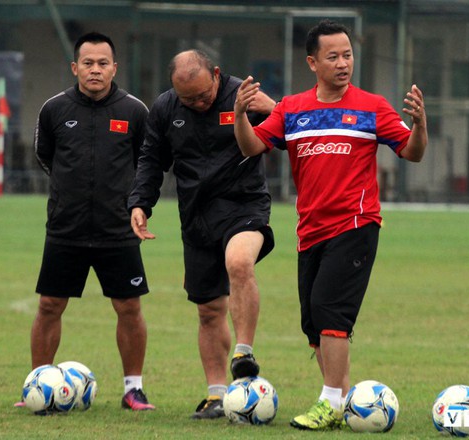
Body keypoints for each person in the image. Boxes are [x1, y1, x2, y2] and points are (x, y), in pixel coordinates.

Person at [234, 19, 428, 430]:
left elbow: (411, 152)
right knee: (312, 323)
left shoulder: (372, 106)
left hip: (356, 225)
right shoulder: (292, 109)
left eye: (348, 55)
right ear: (312, 62)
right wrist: (239, 115)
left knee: (330, 312)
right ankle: (341, 400)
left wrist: (421, 127)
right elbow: (253, 146)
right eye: (333, 56)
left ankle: (330, 402)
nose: (343, 63)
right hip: (310, 232)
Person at [127, 49, 276, 419]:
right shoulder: (164, 109)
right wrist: (140, 204)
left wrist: (275, 108)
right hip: (196, 216)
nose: (197, 103)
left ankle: (244, 352)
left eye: (203, 95)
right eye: (187, 98)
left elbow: (292, 129)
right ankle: (216, 395)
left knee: (239, 262)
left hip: (244, 204)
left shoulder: (244, 94)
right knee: (209, 311)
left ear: (217, 74)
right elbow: (150, 160)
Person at [18, 31, 155, 411]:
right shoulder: (54, 109)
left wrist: (131, 203)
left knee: (129, 307)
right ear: (75, 67)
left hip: (118, 229)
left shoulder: (134, 111)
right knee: (49, 305)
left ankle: (133, 389)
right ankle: (38, 383)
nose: (95, 70)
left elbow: (147, 164)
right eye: (88, 63)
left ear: (114, 67)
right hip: (66, 226)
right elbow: (45, 156)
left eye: (103, 63)